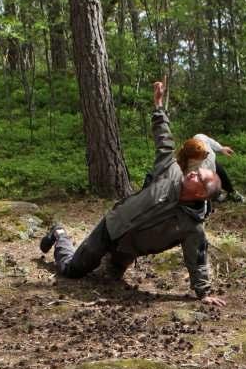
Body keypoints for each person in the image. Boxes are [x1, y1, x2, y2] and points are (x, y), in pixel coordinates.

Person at [40, 82, 225, 308]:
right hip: (112, 227)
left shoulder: (192, 226)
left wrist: (203, 292)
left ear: (201, 194)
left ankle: (107, 260)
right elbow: (164, 141)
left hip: (128, 249)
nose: (194, 174)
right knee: (72, 271)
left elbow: (197, 259)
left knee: (109, 278)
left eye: (200, 178)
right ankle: (59, 234)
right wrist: (158, 106)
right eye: (196, 171)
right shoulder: (170, 171)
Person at [191, 133, 246, 203]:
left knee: (222, 174)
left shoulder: (200, 137)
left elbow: (210, 141)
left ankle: (232, 192)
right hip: (202, 176)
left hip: (213, 165)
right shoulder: (193, 165)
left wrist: (221, 148)